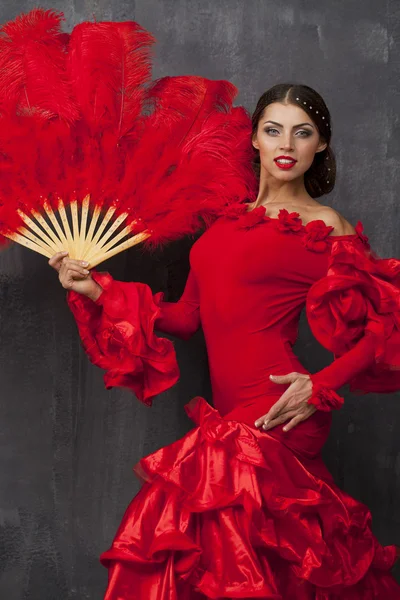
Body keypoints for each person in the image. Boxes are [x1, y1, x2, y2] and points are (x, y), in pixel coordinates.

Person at [49, 83, 400, 599]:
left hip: (275, 412)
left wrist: (318, 384)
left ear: (320, 145)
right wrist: (98, 289)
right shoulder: (222, 223)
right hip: (233, 411)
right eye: (273, 129)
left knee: (189, 538)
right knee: (237, 567)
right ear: (255, 139)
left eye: (303, 133)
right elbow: (189, 318)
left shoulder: (325, 228)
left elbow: (387, 324)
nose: (287, 144)